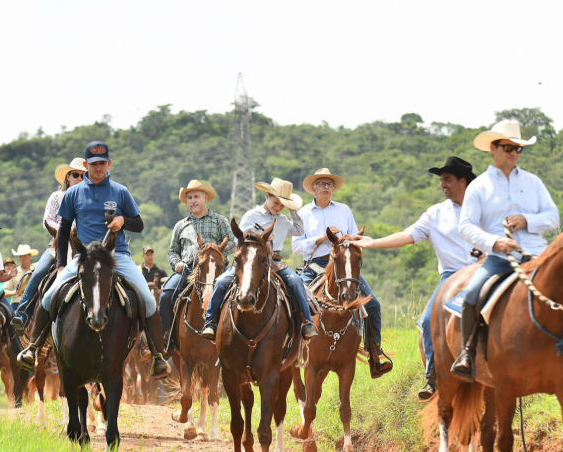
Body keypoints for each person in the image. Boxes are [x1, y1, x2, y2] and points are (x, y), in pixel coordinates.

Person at [17, 141, 170, 378]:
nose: (98, 168)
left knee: (148, 300)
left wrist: (123, 221)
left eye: (102, 163)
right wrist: (59, 266)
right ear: (87, 165)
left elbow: (138, 224)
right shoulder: (73, 193)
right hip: (84, 257)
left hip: (117, 255)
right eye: (93, 164)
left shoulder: (121, 191)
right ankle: (33, 347)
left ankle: (157, 356)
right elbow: (63, 230)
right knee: (49, 296)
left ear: (109, 164)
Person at [355, 157, 478, 398]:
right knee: (428, 322)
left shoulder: (485, 209)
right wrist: (373, 243)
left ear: (462, 181)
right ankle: (434, 378)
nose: (442, 185)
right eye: (441, 180)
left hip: (483, 271)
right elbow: (408, 235)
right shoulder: (435, 213)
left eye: (447, 180)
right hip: (452, 277)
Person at [452, 119, 560, 380]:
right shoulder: (479, 186)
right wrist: (494, 242)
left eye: (518, 148)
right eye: (508, 147)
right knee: (471, 295)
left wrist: (527, 220)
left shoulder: (534, 183)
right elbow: (465, 226)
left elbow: (554, 217)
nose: (514, 152)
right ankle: (468, 353)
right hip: (500, 259)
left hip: (538, 256)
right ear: (493, 148)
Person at [292, 168, 392, 378]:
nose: (326, 187)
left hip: (344, 265)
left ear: (333, 188)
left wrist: (348, 239)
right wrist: (320, 239)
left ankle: (375, 353)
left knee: (372, 304)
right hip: (314, 264)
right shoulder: (303, 213)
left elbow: (357, 239)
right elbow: (296, 247)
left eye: (330, 184)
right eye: (322, 183)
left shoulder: (344, 210)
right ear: (314, 187)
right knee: (295, 300)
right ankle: (291, 350)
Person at [201, 178, 318, 340]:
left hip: (275, 262)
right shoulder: (251, 215)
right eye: (276, 202)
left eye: (282, 205)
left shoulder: (283, 221)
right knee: (221, 282)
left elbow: (299, 229)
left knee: (295, 281)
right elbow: (238, 240)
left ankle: (307, 322)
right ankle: (210, 323)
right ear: (267, 196)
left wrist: (292, 209)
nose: (278, 207)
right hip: (250, 260)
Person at [10, 158, 86, 332]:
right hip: (57, 244)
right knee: (39, 273)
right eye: (76, 175)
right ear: (68, 177)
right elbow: (48, 220)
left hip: (84, 246)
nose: (79, 178)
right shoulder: (57, 196)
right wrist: (68, 229)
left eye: (83, 175)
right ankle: (22, 314)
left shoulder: (89, 200)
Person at [159, 180, 237, 348]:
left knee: (238, 295)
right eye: (189, 198)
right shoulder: (180, 225)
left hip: (216, 271)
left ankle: (236, 340)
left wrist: (214, 251)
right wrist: (177, 263)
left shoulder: (220, 220)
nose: (193, 201)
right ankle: (165, 339)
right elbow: (172, 251)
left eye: (196, 197)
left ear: (205, 198)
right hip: (187, 270)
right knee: (165, 295)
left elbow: (232, 243)